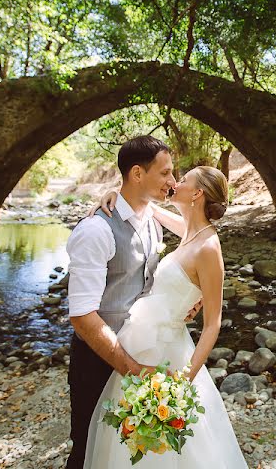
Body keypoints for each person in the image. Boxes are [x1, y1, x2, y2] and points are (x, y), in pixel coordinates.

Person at [83, 164, 247, 468]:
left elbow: (213, 324)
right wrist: (114, 193)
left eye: (183, 180)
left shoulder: (209, 247)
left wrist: (185, 379)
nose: (174, 182)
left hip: (170, 355)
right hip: (139, 343)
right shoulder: (188, 231)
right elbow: (147, 210)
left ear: (196, 193)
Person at [65, 136, 202, 469]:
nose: (172, 182)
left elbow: (200, 234)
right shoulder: (96, 230)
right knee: (88, 451)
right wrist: (135, 371)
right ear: (137, 174)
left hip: (146, 352)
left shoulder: (153, 221)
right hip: (99, 364)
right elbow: (82, 317)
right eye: (166, 174)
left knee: (131, 454)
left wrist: (181, 303)